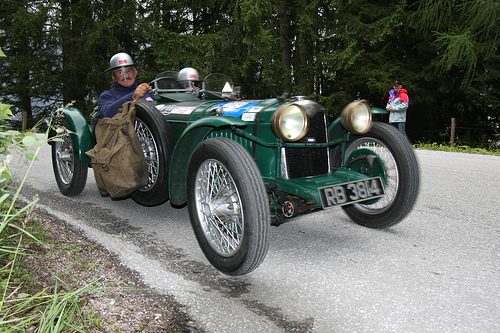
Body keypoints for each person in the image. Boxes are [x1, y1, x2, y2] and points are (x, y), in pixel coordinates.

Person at [98, 52, 154, 118]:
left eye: (129, 71)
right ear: (113, 76)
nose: (126, 75)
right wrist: (132, 97)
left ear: (134, 73)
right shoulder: (107, 96)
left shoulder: (147, 91)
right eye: (120, 72)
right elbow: (106, 114)